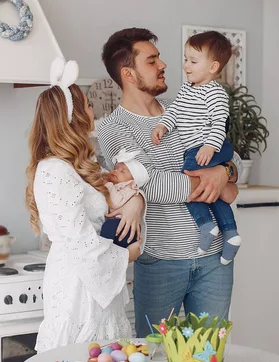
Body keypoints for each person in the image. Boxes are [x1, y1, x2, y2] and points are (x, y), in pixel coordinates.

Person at [97, 28, 242, 338]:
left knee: (207, 360)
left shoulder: (183, 108)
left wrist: (224, 171)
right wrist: (216, 181)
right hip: (161, 263)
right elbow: (152, 186)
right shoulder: (112, 128)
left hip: (215, 261)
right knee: (151, 358)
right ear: (129, 74)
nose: (164, 65)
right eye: (152, 60)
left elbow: (234, 157)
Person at [25, 57, 142, 353]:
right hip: (78, 286)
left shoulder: (78, 166)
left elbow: (125, 189)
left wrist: (135, 204)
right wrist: (126, 256)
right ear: (72, 116)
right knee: (77, 360)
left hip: (93, 281)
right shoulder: (54, 170)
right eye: (88, 105)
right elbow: (79, 241)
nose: (93, 110)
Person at [151, 31, 242, 264]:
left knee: (189, 179)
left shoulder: (215, 93)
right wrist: (163, 125)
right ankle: (230, 234)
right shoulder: (186, 90)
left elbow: (220, 122)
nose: (185, 66)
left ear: (212, 67)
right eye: (185, 59)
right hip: (199, 147)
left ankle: (207, 226)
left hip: (211, 146)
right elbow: (174, 111)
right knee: (212, 191)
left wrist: (210, 147)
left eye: (193, 61)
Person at [100, 148, 149, 248]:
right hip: (118, 225)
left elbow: (115, 203)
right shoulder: (117, 187)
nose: (116, 171)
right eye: (116, 168)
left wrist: (108, 185)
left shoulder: (129, 189)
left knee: (108, 228)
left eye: (122, 172)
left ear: (132, 181)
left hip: (124, 226)